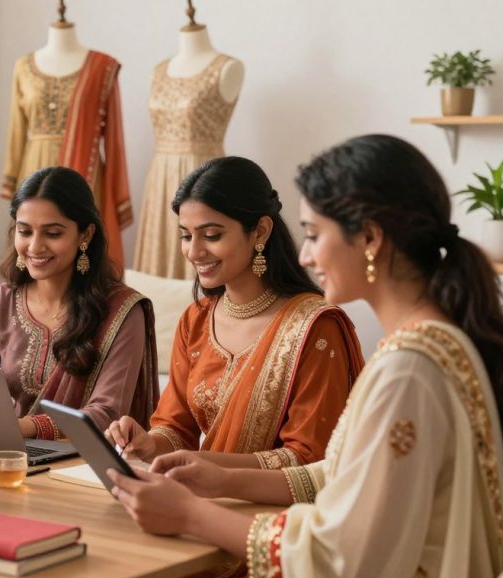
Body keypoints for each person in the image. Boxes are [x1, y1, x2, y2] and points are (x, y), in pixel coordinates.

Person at [109, 135, 503, 578]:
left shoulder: (408, 369)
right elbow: (338, 475)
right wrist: (219, 479)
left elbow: (340, 558)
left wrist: (190, 515)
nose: (305, 254)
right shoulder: (430, 345)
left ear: (369, 237)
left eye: (313, 234)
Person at [106, 156, 363, 470]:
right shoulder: (196, 320)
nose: (194, 251)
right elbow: (175, 428)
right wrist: (147, 443)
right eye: (186, 236)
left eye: (212, 236)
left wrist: (209, 467)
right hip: (196, 495)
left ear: (260, 232)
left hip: (277, 512)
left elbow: (310, 459)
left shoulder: (314, 328)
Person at [0, 166, 160, 439]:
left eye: (52, 233)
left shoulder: (121, 312)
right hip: (5, 453)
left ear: (85, 235)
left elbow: (108, 412)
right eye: (25, 231)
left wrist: (24, 427)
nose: (34, 247)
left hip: (82, 463)